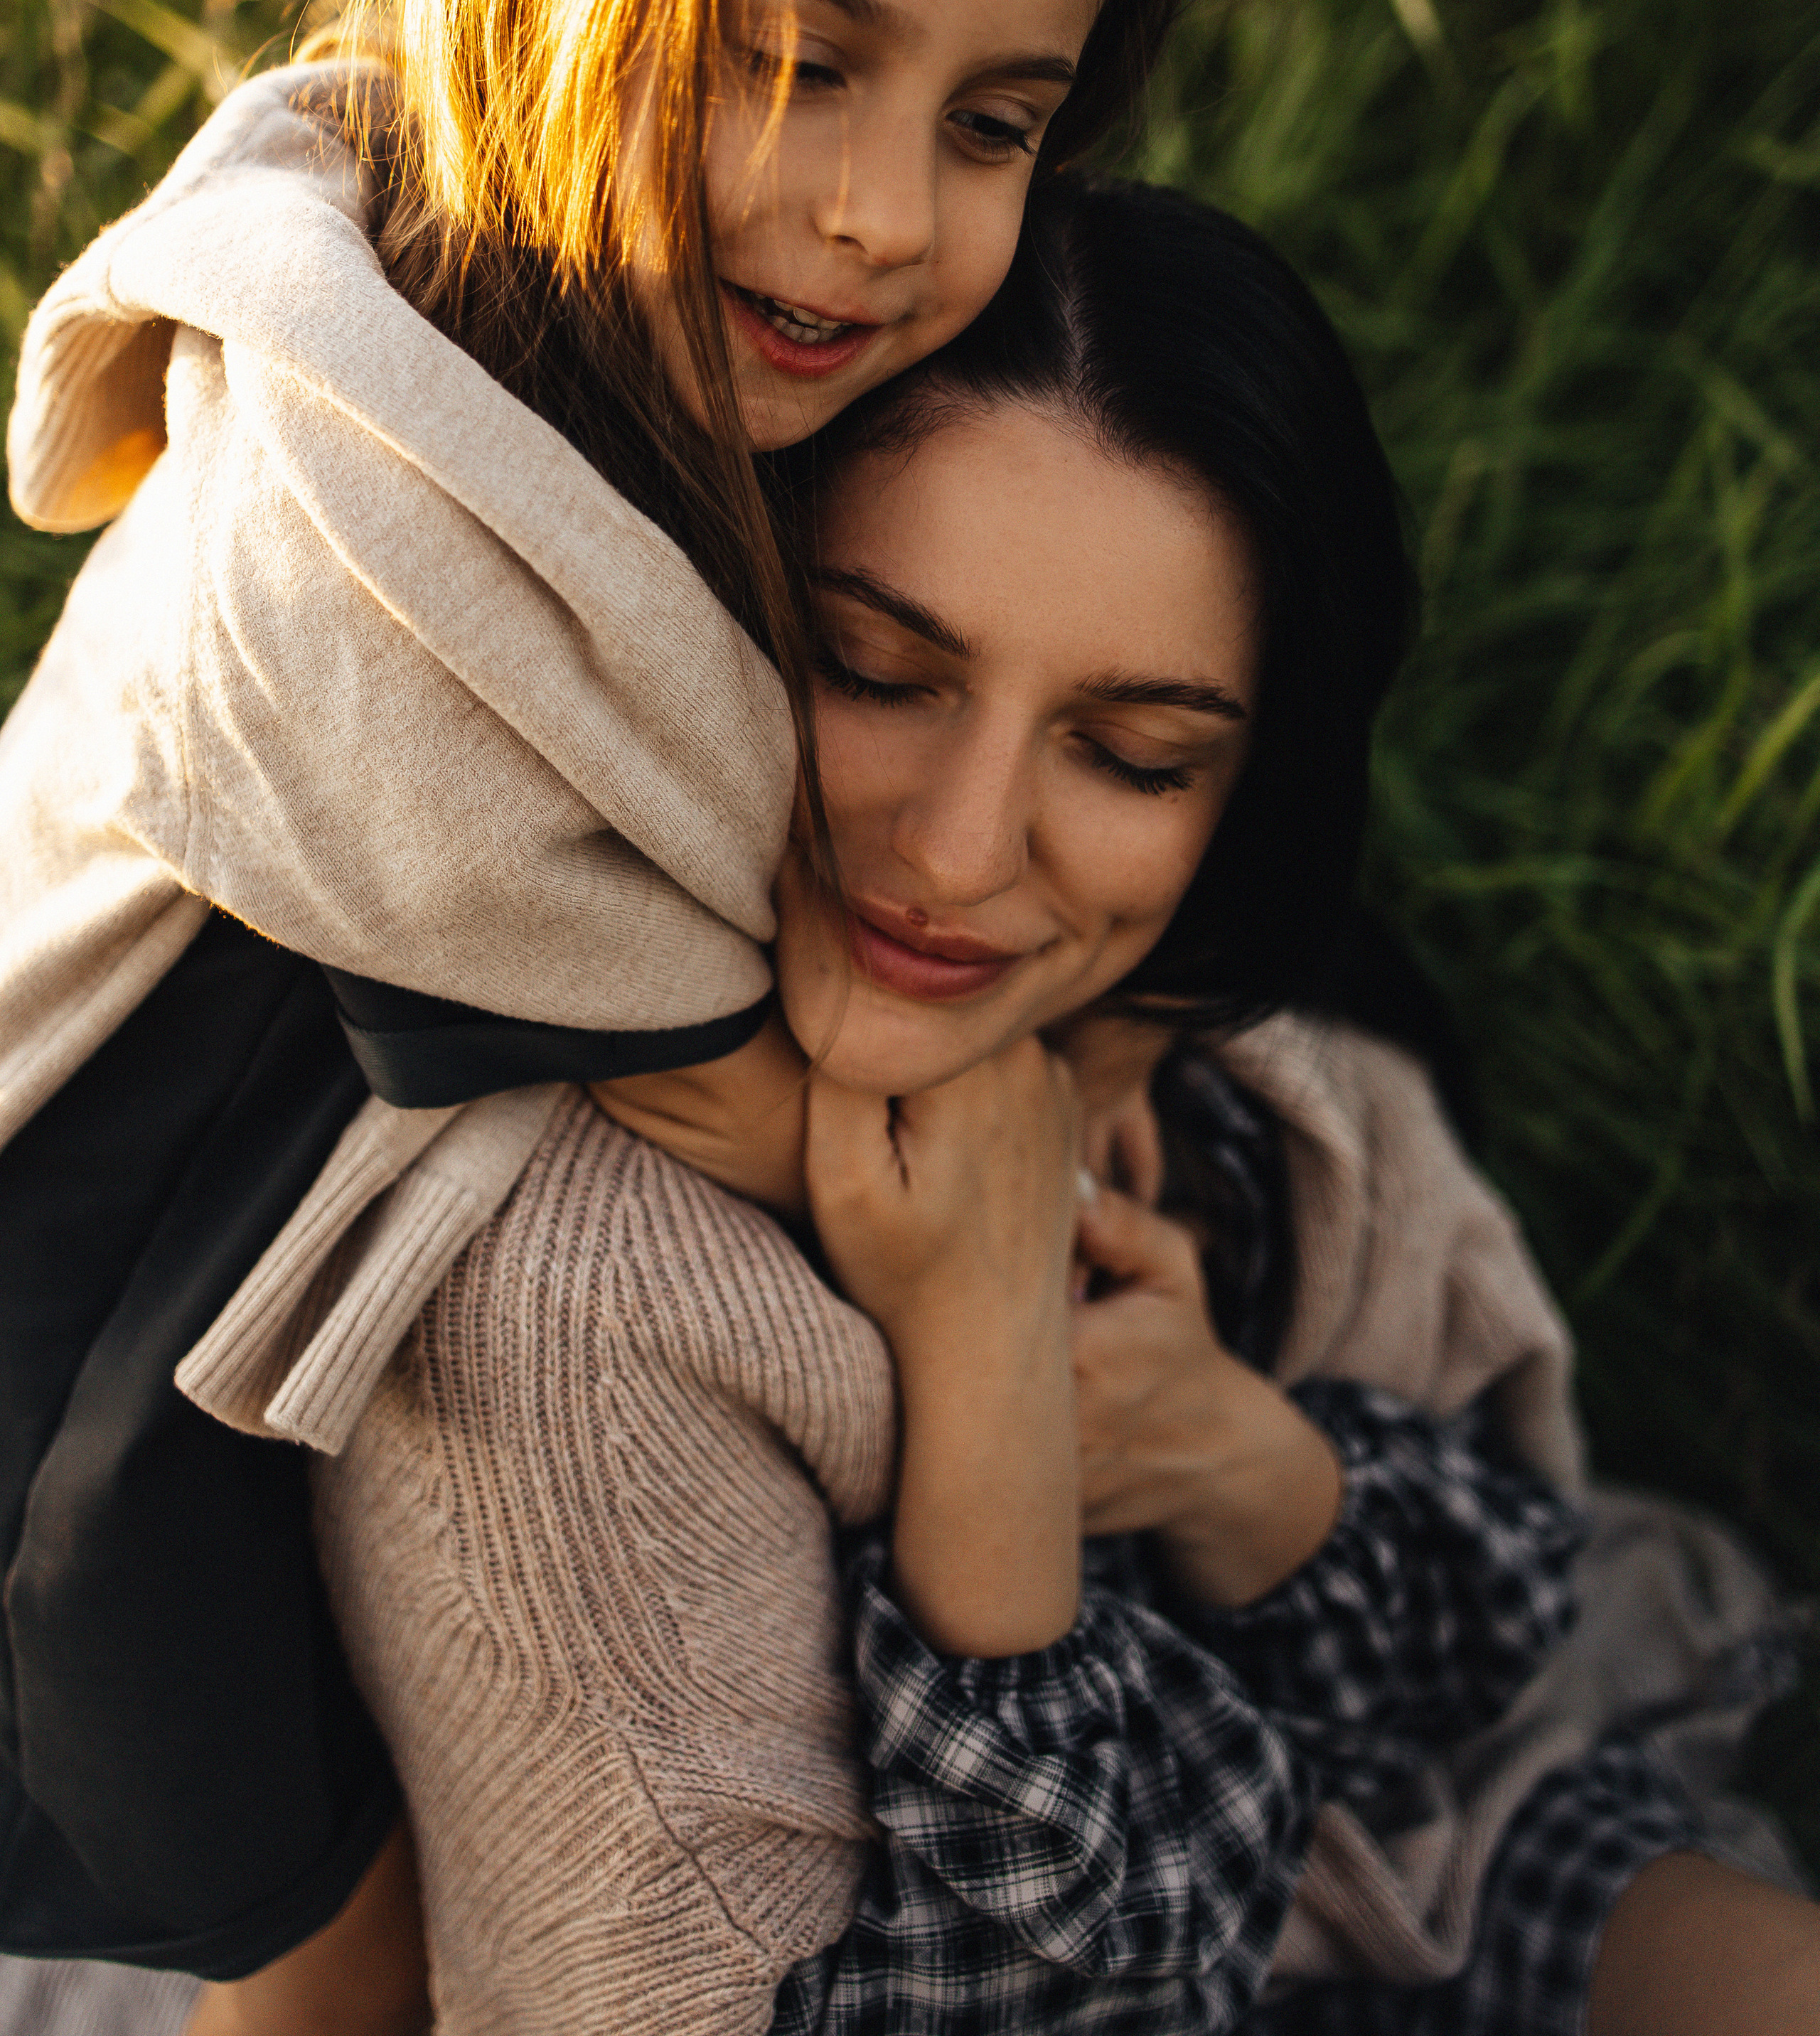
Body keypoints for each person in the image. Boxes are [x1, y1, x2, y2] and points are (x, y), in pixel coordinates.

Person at [0, 0, 1201, 2031]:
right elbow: (670, 1037)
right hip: (86, 1383)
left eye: (992, 124)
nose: (880, 215)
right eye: (794, 61)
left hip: (276, 1272)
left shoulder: (631, 341)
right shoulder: (331, 528)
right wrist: (933, 1189)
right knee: (312, 1941)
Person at [283, 171, 1819, 2029]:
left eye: (1133, 755)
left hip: (1387, 1855)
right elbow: (1056, 1981)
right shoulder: (580, 1305)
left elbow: (1485, 1644)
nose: (955, 847)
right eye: (874, 666)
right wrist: (981, 1346)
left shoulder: (1229, 1076)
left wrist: (1234, 1457)